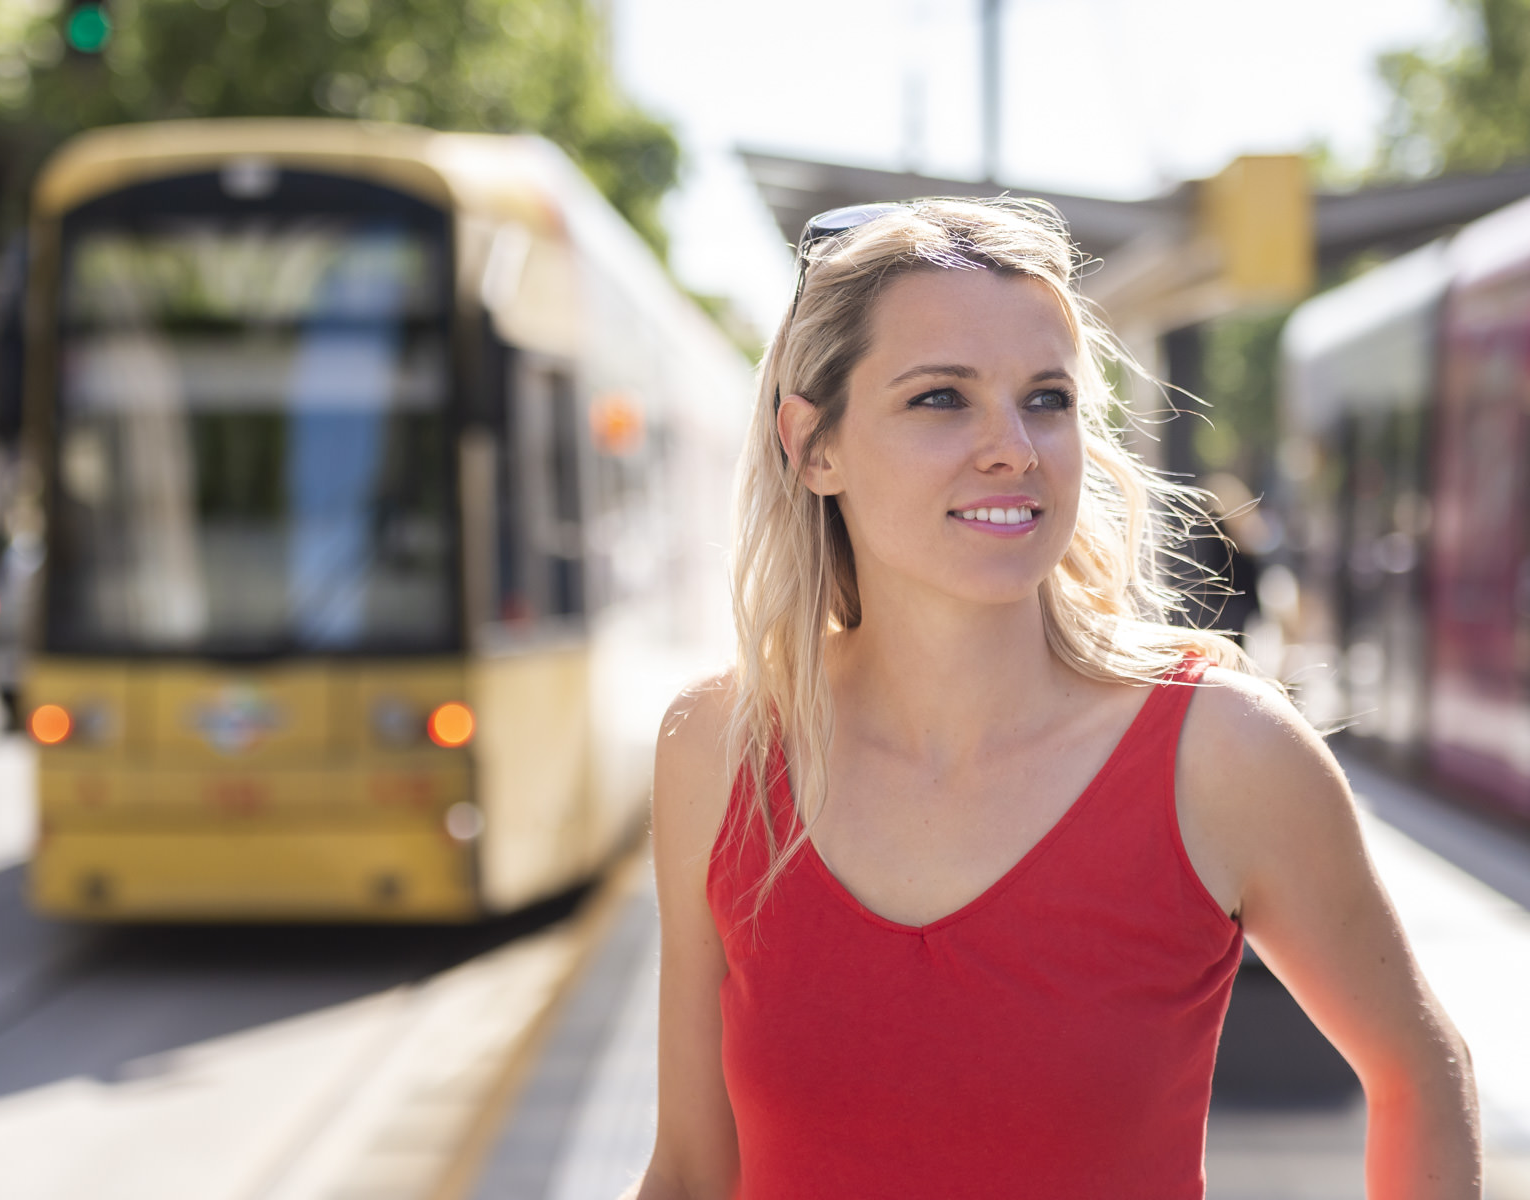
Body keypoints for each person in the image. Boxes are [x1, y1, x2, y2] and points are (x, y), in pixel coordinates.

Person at [634, 199, 1479, 1198]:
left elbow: (1421, 1073)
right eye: (941, 399)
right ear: (812, 444)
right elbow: (691, 1169)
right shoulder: (718, 747)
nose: (1015, 448)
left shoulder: (1224, 754)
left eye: (1047, 398)